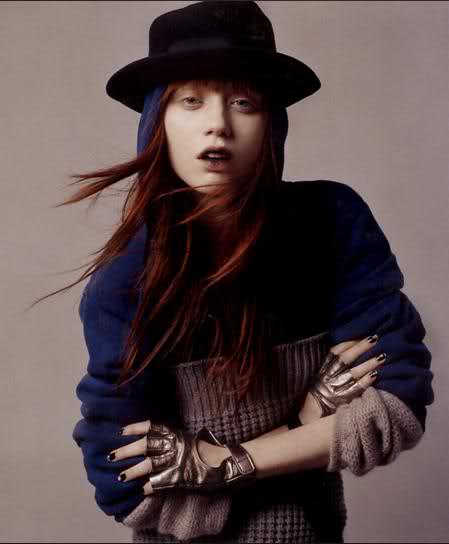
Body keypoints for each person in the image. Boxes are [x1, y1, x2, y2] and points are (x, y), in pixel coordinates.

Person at [64, 2, 433, 542]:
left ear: (272, 124)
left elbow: (398, 403)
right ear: (157, 120)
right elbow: (124, 485)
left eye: (243, 102)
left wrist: (218, 462)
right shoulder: (126, 281)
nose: (218, 124)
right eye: (191, 101)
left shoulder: (331, 222)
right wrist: (302, 425)